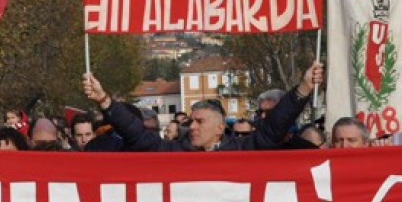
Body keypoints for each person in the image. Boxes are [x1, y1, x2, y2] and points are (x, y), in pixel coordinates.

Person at [83, 61, 323, 152]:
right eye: (192, 120)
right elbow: (135, 133)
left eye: (200, 121)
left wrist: (302, 89)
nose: (193, 126)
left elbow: (273, 128)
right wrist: (104, 100)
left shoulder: (244, 149)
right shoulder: (172, 151)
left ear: (220, 128)